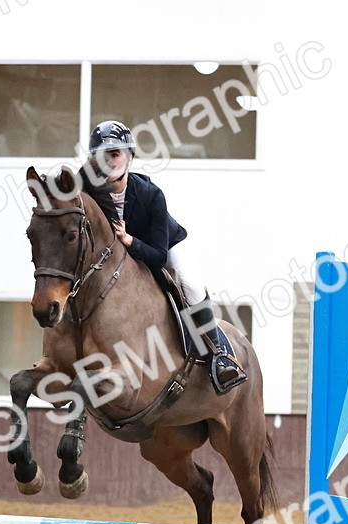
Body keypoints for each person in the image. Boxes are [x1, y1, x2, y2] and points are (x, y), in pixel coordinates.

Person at [85, 120, 246, 394]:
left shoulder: (151, 195)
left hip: (165, 247)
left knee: (191, 284)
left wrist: (129, 240)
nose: (109, 162)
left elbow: (159, 257)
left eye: (115, 154)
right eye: (102, 156)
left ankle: (219, 355)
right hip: (119, 258)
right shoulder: (86, 192)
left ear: (130, 157)